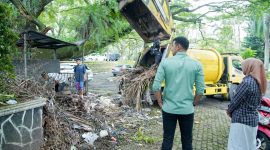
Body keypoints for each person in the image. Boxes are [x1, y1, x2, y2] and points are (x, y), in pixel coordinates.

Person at [152, 36, 205, 150]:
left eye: (172, 45)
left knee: (167, 140)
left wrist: (160, 103)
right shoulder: (196, 65)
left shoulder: (165, 63)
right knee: (187, 141)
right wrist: (193, 104)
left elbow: (156, 86)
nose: (171, 48)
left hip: (168, 109)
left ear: (178, 46)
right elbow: (200, 90)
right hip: (187, 110)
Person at [227, 58, 267, 150]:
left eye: (243, 66)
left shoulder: (247, 82)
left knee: (237, 146)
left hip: (241, 121)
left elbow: (235, 101)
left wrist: (229, 111)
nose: (242, 68)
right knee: (248, 145)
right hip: (252, 120)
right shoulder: (259, 82)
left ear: (250, 67)